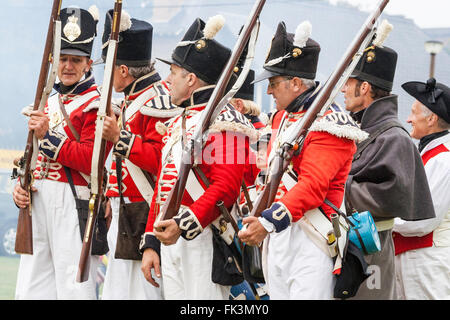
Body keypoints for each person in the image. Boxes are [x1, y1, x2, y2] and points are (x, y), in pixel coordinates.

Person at [237, 21, 367, 300]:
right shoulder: (283, 117)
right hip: (280, 235)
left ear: (295, 83)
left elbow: (313, 187)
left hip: (311, 239)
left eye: (273, 83)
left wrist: (268, 222)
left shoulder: (329, 124)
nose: (269, 91)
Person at [139, 15, 259, 300]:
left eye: (175, 72)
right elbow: (163, 189)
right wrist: (152, 242)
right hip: (172, 237)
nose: (168, 79)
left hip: (204, 236)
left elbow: (226, 186)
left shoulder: (226, 119)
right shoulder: (182, 120)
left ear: (191, 78)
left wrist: (183, 224)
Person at [12, 6, 109, 299]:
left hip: (73, 201)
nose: (68, 66)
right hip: (38, 200)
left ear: (88, 64)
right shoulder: (48, 100)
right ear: (54, 61)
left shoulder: (98, 104)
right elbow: (32, 158)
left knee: (73, 288)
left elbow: (91, 160)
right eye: (63, 59)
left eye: (75, 60)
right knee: (32, 288)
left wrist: (48, 136)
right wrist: (22, 185)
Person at [340, 21, 435, 299]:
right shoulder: (358, 130)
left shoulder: (395, 138)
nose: (344, 89)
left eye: (350, 83)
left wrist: (337, 187)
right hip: (348, 247)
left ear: (365, 87)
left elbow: (391, 195)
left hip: (371, 251)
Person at [99, 10, 181, 300]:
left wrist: (119, 138)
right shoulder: (131, 98)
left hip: (144, 209)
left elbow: (164, 161)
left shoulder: (158, 101)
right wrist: (111, 193)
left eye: (110, 68)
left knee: (142, 292)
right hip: (126, 208)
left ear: (122, 71)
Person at [393, 78, 450, 300]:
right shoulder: (429, 155)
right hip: (418, 258)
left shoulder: (443, 159)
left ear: (432, 118)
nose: (408, 119)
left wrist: (384, 221)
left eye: (414, 113)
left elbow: (423, 219)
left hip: (428, 261)